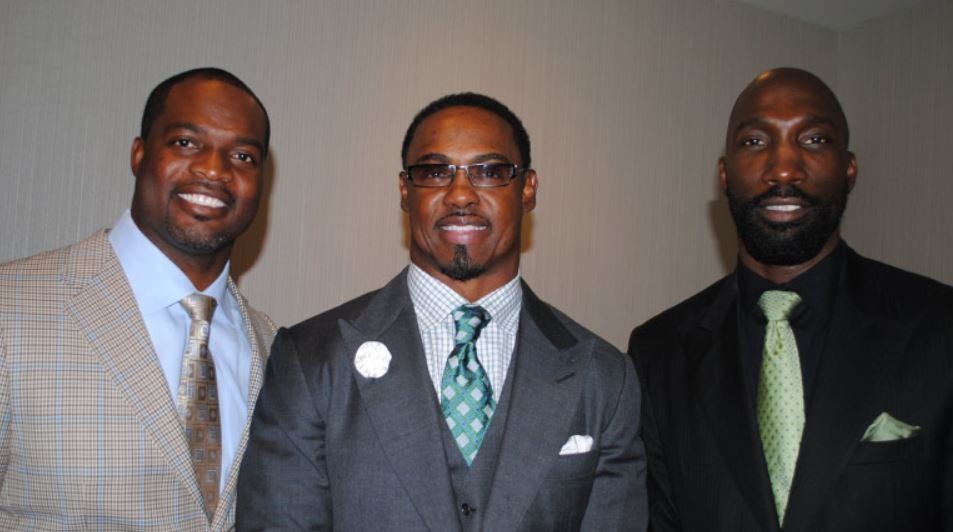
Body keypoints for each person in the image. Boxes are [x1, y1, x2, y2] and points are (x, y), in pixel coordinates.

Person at [237, 92, 647, 531]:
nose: (460, 195)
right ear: (404, 192)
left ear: (527, 189)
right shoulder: (311, 359)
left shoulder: (604, 377)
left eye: (489, 172)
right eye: (435, 173)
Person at [628, 67, 953, 531]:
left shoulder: (939, 326)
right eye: (755, 142)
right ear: (724, 174)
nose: (783, 168)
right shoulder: (657, 351)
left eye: (814, 140)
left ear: (849, 168)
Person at [0, 67, 277, 531]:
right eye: (186, 142)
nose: (214, 169)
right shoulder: (11, 310)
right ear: (139, 152)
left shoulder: (274, 346)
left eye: (243, 155)